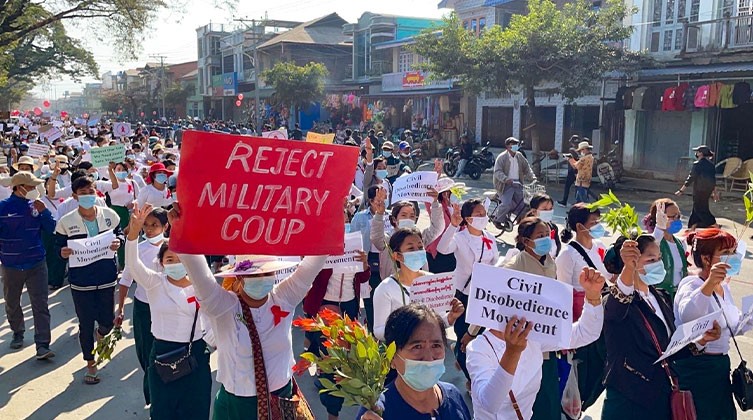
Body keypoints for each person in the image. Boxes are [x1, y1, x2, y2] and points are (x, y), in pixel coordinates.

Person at [168, 203, 328, 420]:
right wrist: (181, 230)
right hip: (238, 406)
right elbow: (200, 274)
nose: (262, 280)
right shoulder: (222, 306)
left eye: (267, 274)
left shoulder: (284, 297)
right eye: (254, 275)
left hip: (282, 401)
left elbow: (313, 264)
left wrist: (331, 219)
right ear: (240, 278)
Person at [601, 235, 721, 420]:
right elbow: (615, 309)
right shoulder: (618, 299)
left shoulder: (660, 297)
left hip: (659, 394)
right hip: (629, 398)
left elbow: (667, 348)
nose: (657, 264)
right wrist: (628, 270)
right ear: (631, 261)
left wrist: (700, 340)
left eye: (659, 259)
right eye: (650, 260)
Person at [466, 267, 606, 419]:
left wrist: (592, 297)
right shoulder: (478, 348)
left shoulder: (532, 337)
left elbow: (585, 333)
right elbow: (490, 403)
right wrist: (512, 353)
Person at [124, 204, 211, 419]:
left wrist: (179, 228)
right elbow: (133, 265)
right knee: (163, 411)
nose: (175, 263)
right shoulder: (155, 283)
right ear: (161, 264)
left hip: (196, 354)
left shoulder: (202, 284)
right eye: (169, 259)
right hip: (164, 354)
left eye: (181, 259)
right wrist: (133, 234)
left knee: (196, 410)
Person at [673, 228, 752, 419]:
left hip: (720, 369)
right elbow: (688, 315)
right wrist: (709, 283)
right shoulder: (691, 284)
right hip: (696, 369)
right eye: (726, 254)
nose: (732, 258)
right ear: (707, 259)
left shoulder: (723, 286)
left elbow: (732, 325)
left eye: (733, 252)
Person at [55, 175, 123, 384]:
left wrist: (118, 242)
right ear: (75, 196)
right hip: (81, 281)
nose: (88, 196)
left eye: (91, 192)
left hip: (106, 277)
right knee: (85, 324)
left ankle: (100, 333)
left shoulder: (109, 215)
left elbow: (119, 234)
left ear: (96, 193)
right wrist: (63, 252)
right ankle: (90, 363)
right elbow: (58, 246)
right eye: (83, 193)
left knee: (107, 322)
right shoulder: (66, 222)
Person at [357, 304, 472, 420]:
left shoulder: (453, 396)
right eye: (417, 347)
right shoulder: (376, 412)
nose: (428, 357)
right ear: (391, 357)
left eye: (436, 345)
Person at [497, 217, 560, 419]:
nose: (546, 240)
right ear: (526, 241)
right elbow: (494, 300)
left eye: (547, 235)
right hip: (524, 342)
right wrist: (472, 333)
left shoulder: (551, 263)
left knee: (550, 396)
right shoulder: (514, 265)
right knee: (529, 398)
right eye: (540, 236)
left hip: (548, 343)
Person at [436, 198, 499, 382]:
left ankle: (475, 370)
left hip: (485, 294)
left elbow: (495, 262)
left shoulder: (490, 237)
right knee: (463, 334)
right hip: (464, 294)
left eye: (484, 214)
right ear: (468, 219)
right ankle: (468, 372)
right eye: (478, 214)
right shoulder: (460, 237)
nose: (483, 217)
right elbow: (443, 248)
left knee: (480, 335)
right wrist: (453, 226)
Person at [116, 207, 169, 407]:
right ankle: (153, 395)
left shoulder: (173, 248)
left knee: (162, 353)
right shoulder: (137, 248)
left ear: (166, 226)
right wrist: (120, 308)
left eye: (154, 225)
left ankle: (158, 395)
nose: (149, 229)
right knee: (145, 353)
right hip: (143, 308)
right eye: (146, 225)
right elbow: (126, 279)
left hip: (165, 308)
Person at [372, 228, 463, 342]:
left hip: (431, 353)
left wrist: (451, 317)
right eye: (410, 248)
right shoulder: (385, 289)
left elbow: (439, 322)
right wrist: (405, 329)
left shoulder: (434, 281)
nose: (417, 252)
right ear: (397, 256)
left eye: (420, 247)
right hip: (403, 354)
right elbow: (379, 331)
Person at [0, 172, 55, 358]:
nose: (35, 190)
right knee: (12, 301)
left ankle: (43, 345)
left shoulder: (37, 206)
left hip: (36, 262)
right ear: (19, 187)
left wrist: (44, 212)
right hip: (11, 264)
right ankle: (18, 332)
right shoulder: (3, 208)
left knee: (40, 304)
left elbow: (51, 228)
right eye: (31, 187)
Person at [371, 194, 444, 281]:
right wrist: (379, 214)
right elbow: (376, 237)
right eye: (404, 215)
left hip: (420, 285)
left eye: (412, 216)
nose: (408, 219)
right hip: (396, 287)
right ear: (394, 219)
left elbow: (437, 228)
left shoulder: (419, 238)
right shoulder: (389, 239)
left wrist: (435, 203)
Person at [351, 185, 386, 333]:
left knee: (385, 300)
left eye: (383, 199)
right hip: (367, 261)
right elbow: (352, 238)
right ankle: (372, 331)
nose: (380, 203)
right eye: (377, 200)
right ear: (370, 201)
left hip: (385, 260)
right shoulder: (360, 217)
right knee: (370, 300)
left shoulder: (389, 216)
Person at [643, 199, 687, 298]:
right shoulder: (653, 241)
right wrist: (660, 227)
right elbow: (654, 241)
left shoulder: (680, 244)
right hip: (659, 296)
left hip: (677, 296)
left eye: (678, 216)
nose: (677, 220)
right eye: (672, 217)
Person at [492, 137, 536, 225]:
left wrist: (533, 178)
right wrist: (506, 179)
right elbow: (497, 171)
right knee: (506, 204)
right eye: (513, 145)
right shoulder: (502, 157)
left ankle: (522, 222)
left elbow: (527, 168)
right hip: (505, 184)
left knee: (523, 205)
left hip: (518, 183)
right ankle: (498, 220)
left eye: (516, 145)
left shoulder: (519, 156)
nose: (515, 147)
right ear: (507, 147)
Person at [675, 145, 718, 229]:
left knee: (700, 209)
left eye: (697, 152)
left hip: (699, 190)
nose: (696, 153)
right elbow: (713, 179)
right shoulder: (711, 165)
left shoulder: (697, 164)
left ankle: (714, 224)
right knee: (697, 208)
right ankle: (692, 226)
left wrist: (681, 190)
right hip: (707, 190)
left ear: (701, 153)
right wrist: (714, 192)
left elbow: (691, 178)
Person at [425, 177, 460, 274]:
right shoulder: (438, 207)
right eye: (444, 192)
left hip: (453, 250)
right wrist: (433, 177)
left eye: (450, 191)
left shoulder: (456, 207)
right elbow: (429, 202)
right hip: (438, 253)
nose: (447, 194)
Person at [558, 135, 581, 207]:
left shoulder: (572, 150)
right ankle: (578, 201)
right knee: (580, 187)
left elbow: (572, 160)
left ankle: (564, 201)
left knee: (568, 186)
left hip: (572, 170)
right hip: (578, 170)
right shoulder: (580, 150)